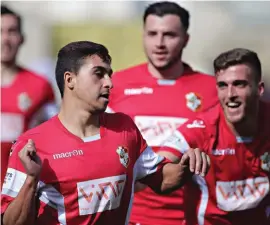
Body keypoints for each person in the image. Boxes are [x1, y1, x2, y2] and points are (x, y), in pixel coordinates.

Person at [1, 41, 210, 225]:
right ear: (70, 79)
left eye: (109, 74)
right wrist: (31, 180)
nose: (109, 83)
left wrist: (186, 165)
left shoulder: (124, 128)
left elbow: (162, 180)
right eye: (99, 74)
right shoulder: (32, 145)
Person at [107, 2, 218, 224]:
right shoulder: (116, 85)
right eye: (152, 34)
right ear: (143, 36)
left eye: (169, 35)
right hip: (133, 216)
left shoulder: (213, 90)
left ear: (186, 39)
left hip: (192, 216)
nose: (159, 43)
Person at [160, 48, 270, 225]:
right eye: (222, 86)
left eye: (239, 84)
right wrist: (182, 168)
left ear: (259, 89)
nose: (230, 95)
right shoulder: (201, 129)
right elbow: (158, 172)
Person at [1, 5, 58, 186]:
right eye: (0, 31)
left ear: (22, 38)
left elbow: (54, 139)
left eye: (11, 31)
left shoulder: (40, 86)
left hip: (19, 193)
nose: (5, 39)